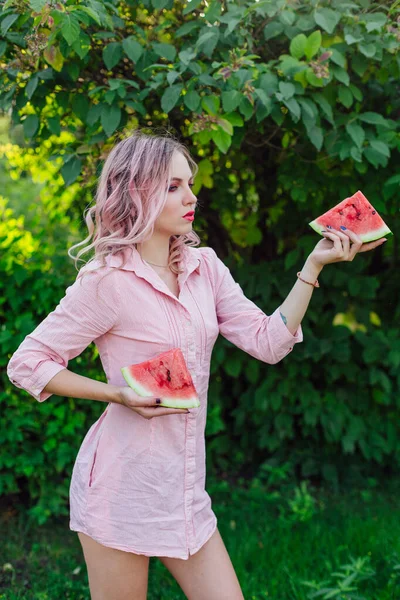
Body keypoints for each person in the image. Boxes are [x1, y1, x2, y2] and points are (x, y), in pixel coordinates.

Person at [6, 130, 386, 600]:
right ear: (136, 193)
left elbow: (267, 342)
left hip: (185, 491)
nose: (192, 196)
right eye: (173, 187)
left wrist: (313, 267)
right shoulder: (106, 283)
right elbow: (27, 362)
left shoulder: (205, 267)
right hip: (122, 491)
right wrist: (118, 394)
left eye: (189, 183)